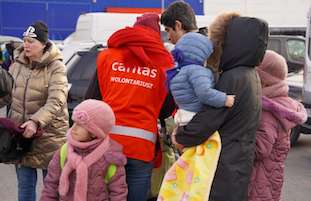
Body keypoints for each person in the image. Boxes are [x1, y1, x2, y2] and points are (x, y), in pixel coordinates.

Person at [173, 13, 269, 201]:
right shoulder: (251, 75)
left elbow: (209, 118)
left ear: (232, 43)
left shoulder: (233, 77)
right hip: (239, 163)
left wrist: (181, 135)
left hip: (222, 166)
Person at [85, 13, 174, 201]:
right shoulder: (163, 64)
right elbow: (166, 110)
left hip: (107, 144)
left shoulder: (107, 57)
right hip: (142, 147)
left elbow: (91, 99)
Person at [0, 21, 68, 201]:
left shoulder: (56, 66)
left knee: (51, 189)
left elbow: (57, 100)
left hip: (49, 136)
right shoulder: (17, 63)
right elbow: (8, 94)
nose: (26, 45)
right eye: (25, 40)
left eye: (31, 41)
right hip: (21, 136)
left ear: (44, 44)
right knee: (25, 186)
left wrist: (36, 121)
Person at [248, 50, 307, 201]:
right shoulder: (282, 102)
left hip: (258, 180)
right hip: (271, 175)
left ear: (265, 81)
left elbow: (260, 148)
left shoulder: (268, 111)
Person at [40, 99, 127, 201]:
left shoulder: (110, 157)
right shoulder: (64, 151)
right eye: (74, 122)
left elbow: (118, 193)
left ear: (94, 132)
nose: (74, 128)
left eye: (80, 125)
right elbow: (51, 186)